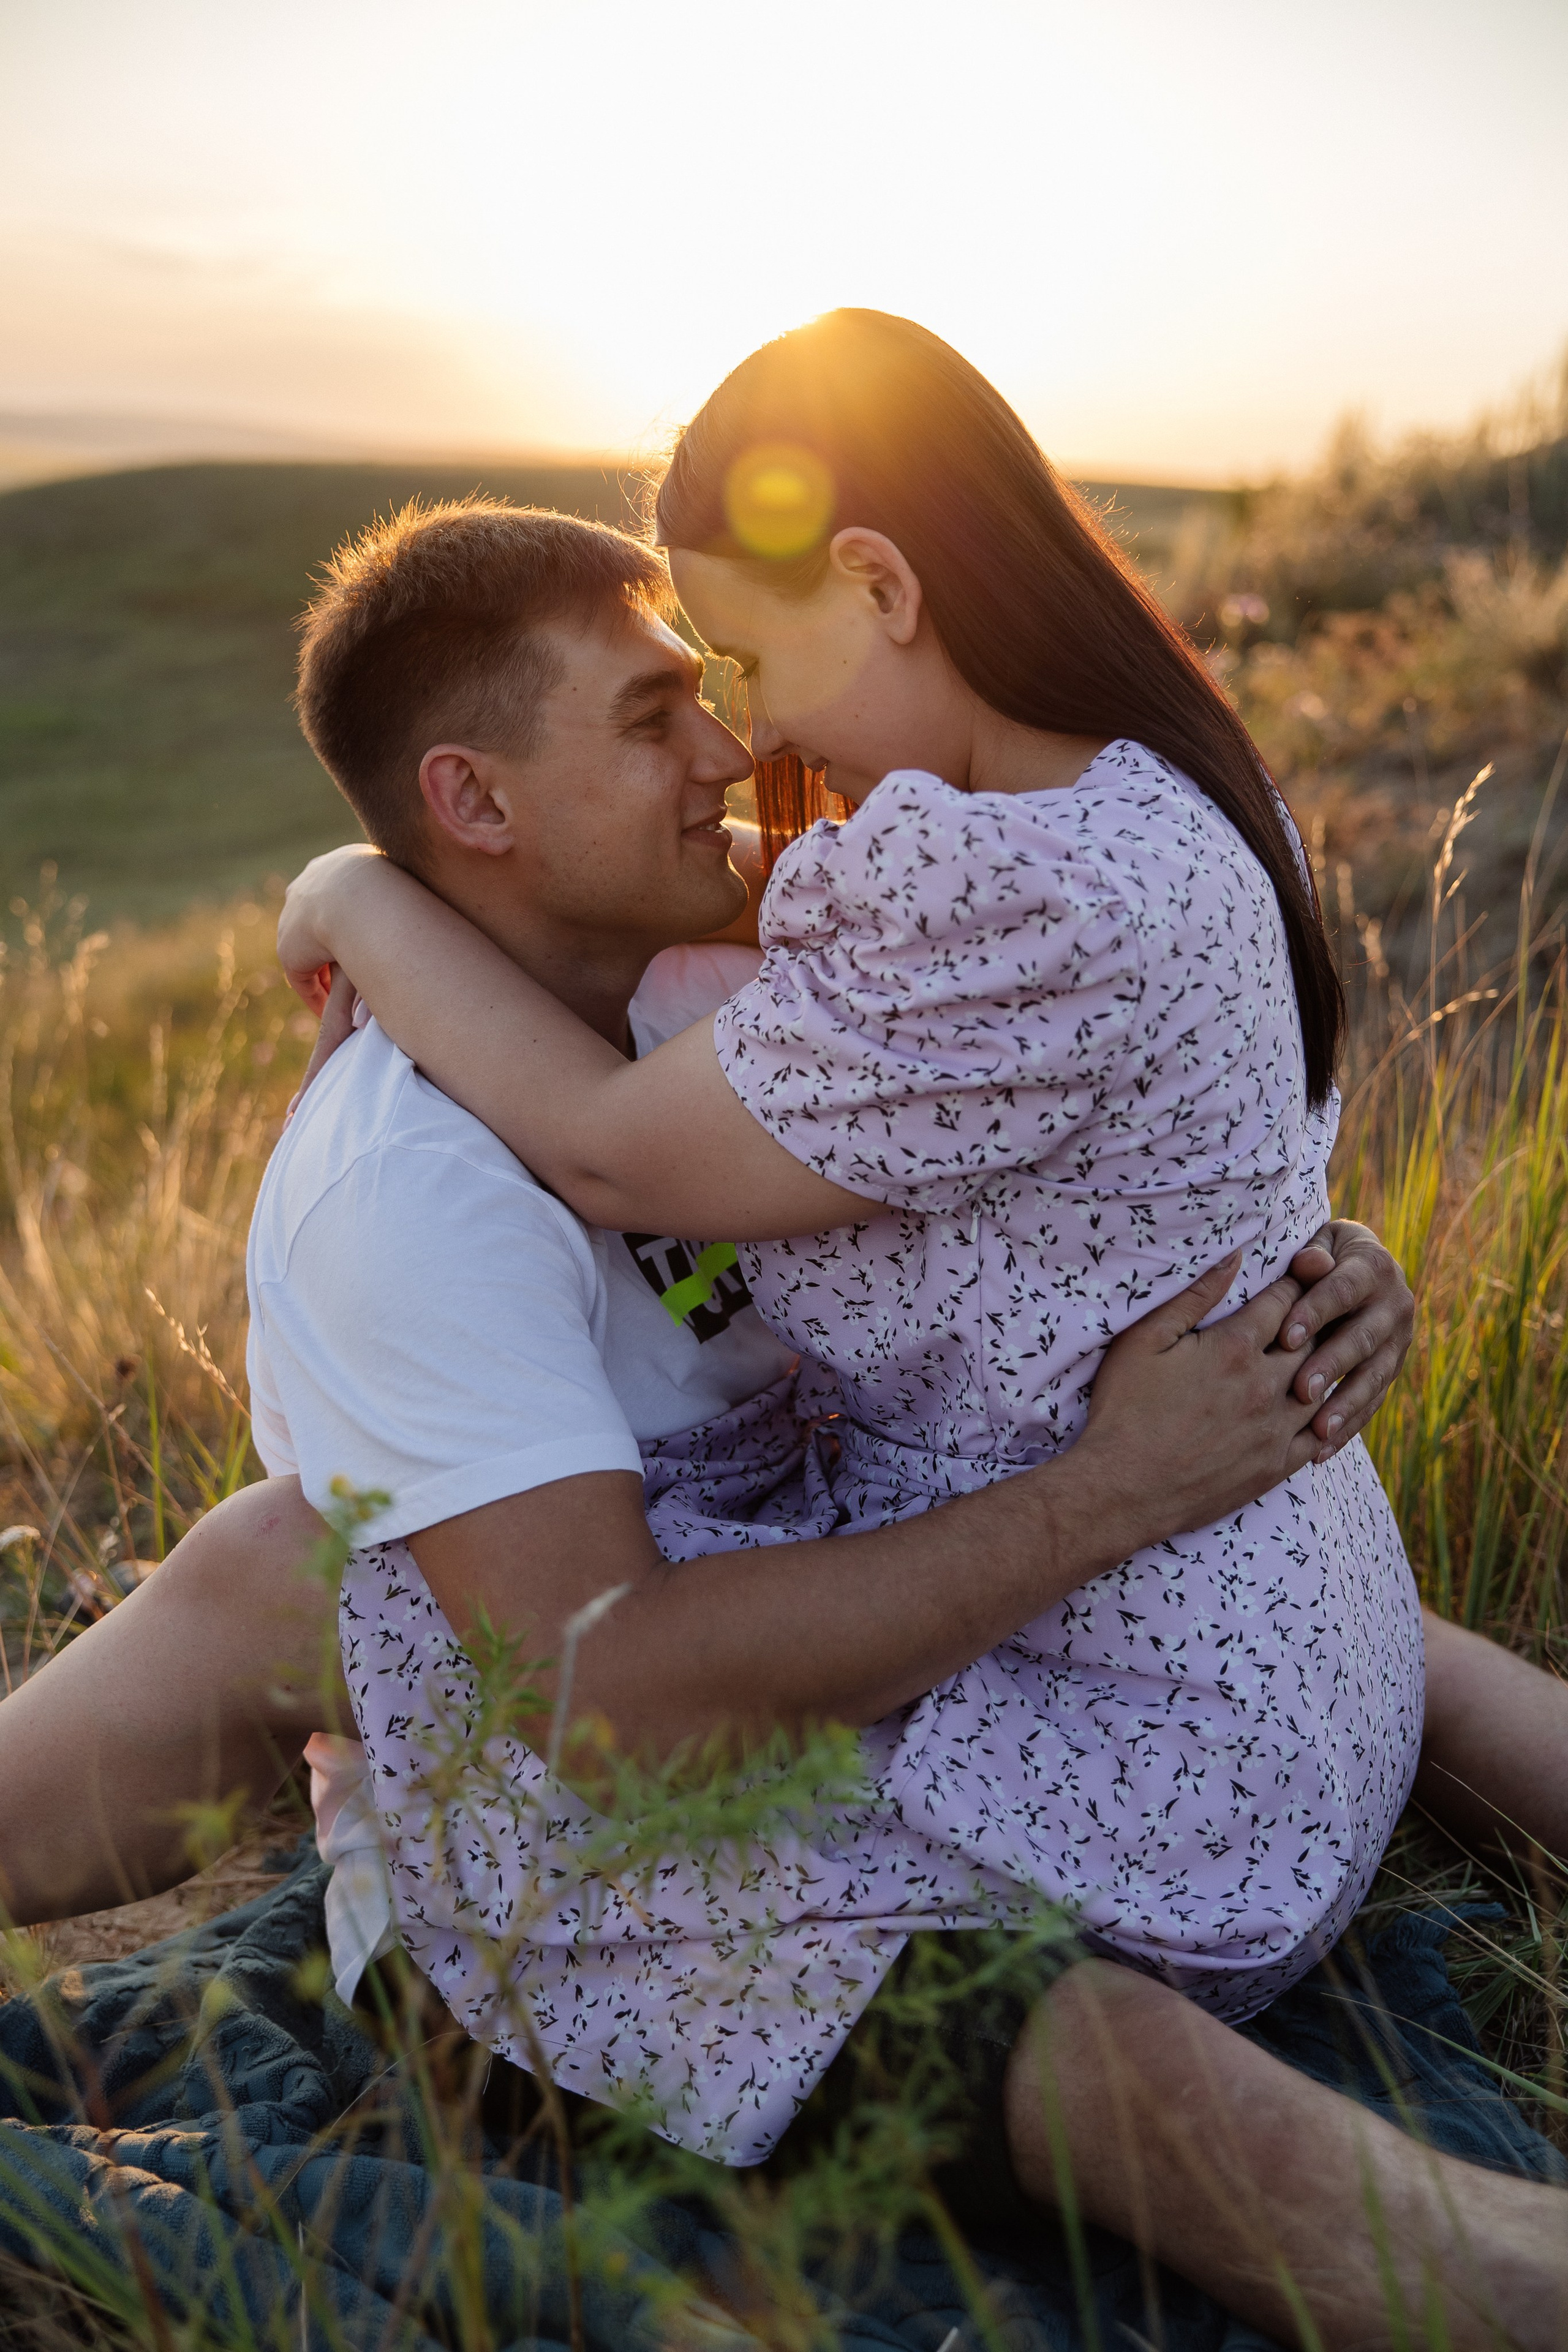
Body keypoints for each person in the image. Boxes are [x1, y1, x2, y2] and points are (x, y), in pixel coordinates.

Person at [2, 497, 1561, 2347]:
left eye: (713, 685)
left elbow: (1089, 1162)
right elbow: (612, 1704)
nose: (734, 753)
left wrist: (1309, 1271)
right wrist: (1114, 1492)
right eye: (653, 714)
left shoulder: (750, 980)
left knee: (1315, 1616)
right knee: (1080, 2040)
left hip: (839, 1621)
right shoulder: (413, 1194)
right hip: (575, 1836)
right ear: (475, 802)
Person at [279, 311, 1420, 2041]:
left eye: (742, 659)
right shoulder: (1165, 795)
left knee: (480, 1758)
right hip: (1283, 1663)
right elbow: (859, 915)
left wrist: (356, 895)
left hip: (1153, 1764)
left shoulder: (1008, 894)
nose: (748, 738)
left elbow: (598, 1145)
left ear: (881, 584)